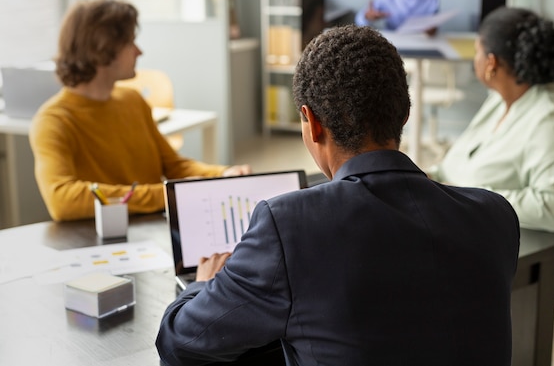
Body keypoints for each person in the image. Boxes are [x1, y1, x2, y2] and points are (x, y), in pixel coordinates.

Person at [156, 25, 520, 366]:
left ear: (311, 122)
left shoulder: (288, 225)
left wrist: (203, 285)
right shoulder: (495, 215)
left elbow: (178, 343)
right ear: (404, 114)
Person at [428, 6, 554, 303]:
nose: (475, 59)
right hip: (483, 237)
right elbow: (457, 163)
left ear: (491, 62)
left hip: (546, 261)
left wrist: (466, 199)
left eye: (478, 50)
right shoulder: (501, 100)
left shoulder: (553, 118)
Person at [29, 0, 250, 222]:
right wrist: (166, 195)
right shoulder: (53, 121)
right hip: (101, 239)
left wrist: (222, 175)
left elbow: (174, 166)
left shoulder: (132, 100)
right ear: (103, 48)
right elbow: (62, 200)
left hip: (152, 227)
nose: (139, 52)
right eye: (130, 43)